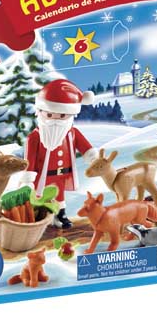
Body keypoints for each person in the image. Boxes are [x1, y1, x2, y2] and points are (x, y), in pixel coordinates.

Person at [24, 79, 98, 228]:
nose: (55, 120)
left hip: (61, 176)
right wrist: (28, 178)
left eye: (62, 115)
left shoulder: (72, 133)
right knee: (38, 198)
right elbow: (30, 159)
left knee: (59, 196)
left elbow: (86, 148)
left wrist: (93, 158)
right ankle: (38, 218)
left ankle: (60, 215)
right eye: (50, 115)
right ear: (40, 112)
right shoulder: (35, 136)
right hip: (41, 177)